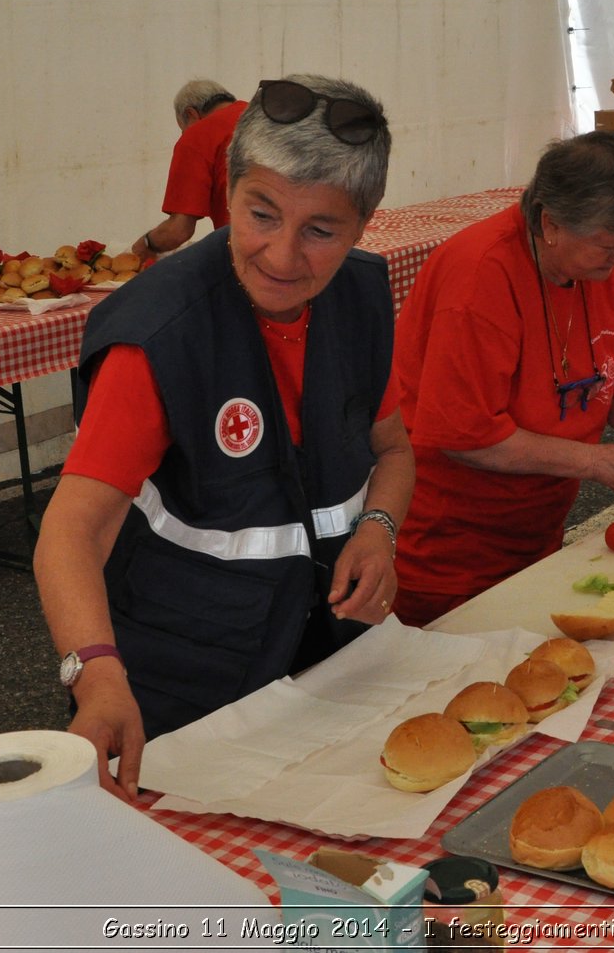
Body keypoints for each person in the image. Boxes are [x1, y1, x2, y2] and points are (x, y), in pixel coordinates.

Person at [36, 74, 410, 801]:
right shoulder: (161, 332)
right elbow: (72, 529)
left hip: (325, 662)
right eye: (260, 215)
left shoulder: (362, 299)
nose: (280, 255)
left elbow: (393, 449)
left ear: (365, 223)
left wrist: (378, 528)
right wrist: (96, 672)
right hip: (182, 687)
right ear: (228, 194)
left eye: (320, 231)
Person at [388, 131, 614, 627]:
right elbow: (467, 439)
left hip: (535, 529)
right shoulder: (479, 278)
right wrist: (592, 461)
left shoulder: (601, 269)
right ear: (550, 224)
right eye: (610, 246)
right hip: (448, 544)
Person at [131, 79, 248, 263]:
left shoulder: (199, 134)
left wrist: (146, 244)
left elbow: (178, 231)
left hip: (246, 254)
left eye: (183, 130)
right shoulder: (262, 117)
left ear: (191, 114)